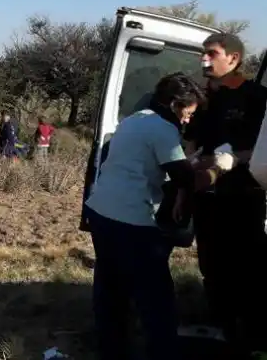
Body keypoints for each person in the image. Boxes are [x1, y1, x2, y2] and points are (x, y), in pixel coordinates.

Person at [83, 72, 205, 360]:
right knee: (156, 296)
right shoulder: (163, 129)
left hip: (101, 211)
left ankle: (111, 349)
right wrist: (217, 164)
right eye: (188, 113)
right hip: (131, 221)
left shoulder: (135, 119)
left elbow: (143, 162)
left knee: (109, 286)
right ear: (175, 104)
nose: (187, 121)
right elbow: (184, 177)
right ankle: (162, 352)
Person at [182, 33, 267, 357]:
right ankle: (221, 330)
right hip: (207, 198)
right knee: (211, 265)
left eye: (211, 54)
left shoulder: (257, 97)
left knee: (247, 267)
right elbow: (191, 143)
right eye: (202, 54)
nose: (204, 61)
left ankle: (253, 337)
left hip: (243, 197)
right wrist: (188, 175)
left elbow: (263, 151)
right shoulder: (204, 101)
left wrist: (233, 159)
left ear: (233, 59)